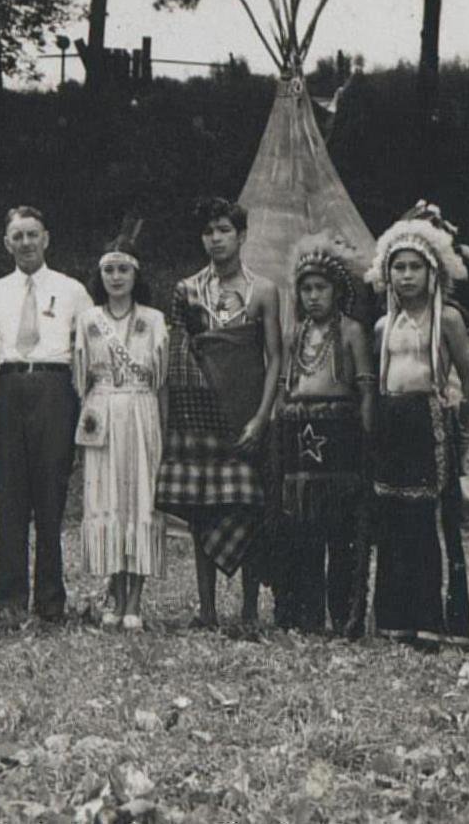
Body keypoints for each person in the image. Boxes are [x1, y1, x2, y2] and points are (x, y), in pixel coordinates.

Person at [156, 198, 282, 629]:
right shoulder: (187, 290)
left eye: (224, 230)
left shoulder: (263, 290)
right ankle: (207, 609)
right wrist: (178, 418)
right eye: (209, 231)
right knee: (203, 506)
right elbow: (178, 355)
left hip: (247, 410)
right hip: (201, 411)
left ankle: (248, 611)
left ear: (241, 235)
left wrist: (262, 417)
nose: (216, 239)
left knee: (247, 505)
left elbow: (276, 359)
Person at [365, 209, 469, 648]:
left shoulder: (447, 319)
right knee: (393, 518)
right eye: (399, 266)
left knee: (428, 520)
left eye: (416, 267)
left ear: (432, 271)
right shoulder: (383, 325)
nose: (407, 275)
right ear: (387, 273)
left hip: (430, 423)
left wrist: (463, 435)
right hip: (393, 422)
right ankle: (396, 619)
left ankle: (435, 621)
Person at [0, 206, 93, 623]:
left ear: (46, 239)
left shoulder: (72, 291)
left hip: (54, 388)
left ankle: (51, 602)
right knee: (9, 496)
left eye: (33, 234)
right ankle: (10, 600)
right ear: (7, 243)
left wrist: (82, 409)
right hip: (8, 386)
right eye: (18, 236)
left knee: (51, 496)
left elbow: (85, 355)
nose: (26, 243)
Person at [273, 232, 374, 636]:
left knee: (341, 528)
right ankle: (307, 614)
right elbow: (285, 385)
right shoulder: (295, 333)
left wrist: (367, 436)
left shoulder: (351, 332)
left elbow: (366, 387)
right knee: (303, 528)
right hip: (300, 431)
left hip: (341, 433)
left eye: (321, 288)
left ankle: (344, 613)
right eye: (306, 289)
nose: (313, 296)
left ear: (337, 290)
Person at [73, 229, 168, 631]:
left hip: (142, 410)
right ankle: (114, 591)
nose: (116, 277)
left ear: (135, 275)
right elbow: (80, 378)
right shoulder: (88, 320)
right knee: (108, 498)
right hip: (104, 412)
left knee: (139, 498)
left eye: (123, 270)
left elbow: (161, 381)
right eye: (109, 270)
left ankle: (135, 600)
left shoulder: (154, 319)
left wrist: (162, 428)